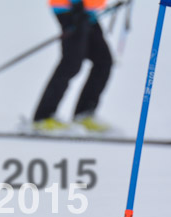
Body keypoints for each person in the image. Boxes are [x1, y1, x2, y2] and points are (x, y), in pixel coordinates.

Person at [33, 0, 113, 133]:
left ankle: (84, 114)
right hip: (70, 9)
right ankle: (43, 117)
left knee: (103, 61)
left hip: (87, 12)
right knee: (71, 64)